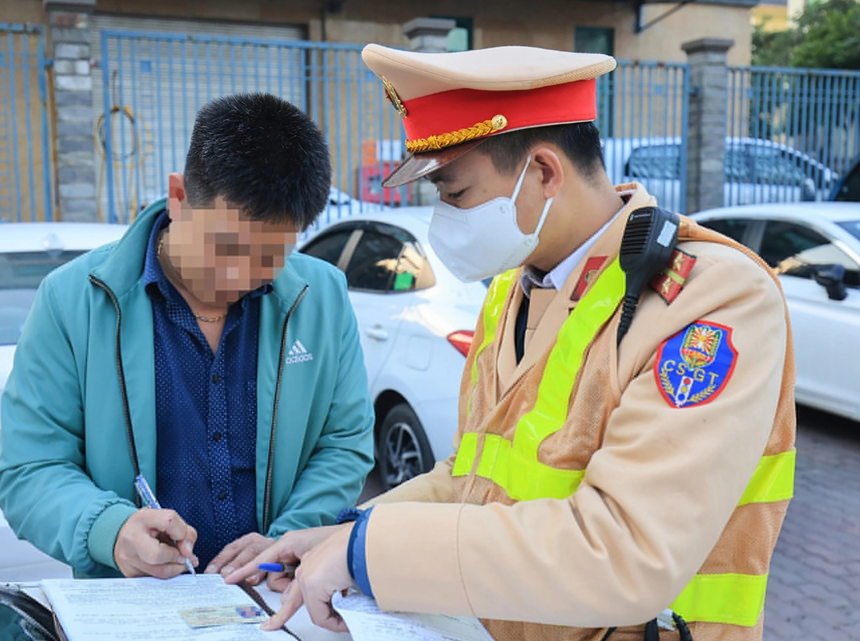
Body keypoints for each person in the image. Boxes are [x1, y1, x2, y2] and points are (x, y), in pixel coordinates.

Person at [228, 45, 796, 641]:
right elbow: (471, 474)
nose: (444, 219)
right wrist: (345, 531)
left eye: (455, 194)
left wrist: (369, 550)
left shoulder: (711, 299)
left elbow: (628, 551)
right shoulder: (513, 289)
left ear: (546, 172)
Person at [0, 93, 375, 581]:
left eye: (270, 257)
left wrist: (292, 535)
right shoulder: (73, 301)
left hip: (278, 599)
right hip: (137, 609)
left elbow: (344, 443)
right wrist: (109, 528)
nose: (241, 276)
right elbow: (27, 468)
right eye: (226, 247)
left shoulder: (322, 296)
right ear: (178, 196)